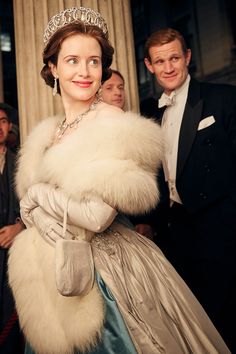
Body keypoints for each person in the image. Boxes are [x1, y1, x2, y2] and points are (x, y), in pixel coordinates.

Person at [8, 8, 230, 354]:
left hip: (111, 275)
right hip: (55, 276)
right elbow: (34, 212)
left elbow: (97, 217)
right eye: (72, 60)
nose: (84, 72)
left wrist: (38, 196)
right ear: (52, 68)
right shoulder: (49, 133)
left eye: (93, 62)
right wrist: (37, 211)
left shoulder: (112, 122)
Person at [144, 27, 236, 352]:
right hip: (177, 234)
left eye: (174, 58)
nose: (168, 67)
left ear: (187, 57)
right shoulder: (150, 116)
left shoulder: (223, 98)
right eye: (160, 61)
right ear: (149, 66)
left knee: (226, 319)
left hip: (222, 231)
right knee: (194, 324)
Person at [0, 103, 24, 353]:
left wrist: (19, 227)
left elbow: (36, 206)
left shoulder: (21, 164)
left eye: (3, 121)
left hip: (15, 255)